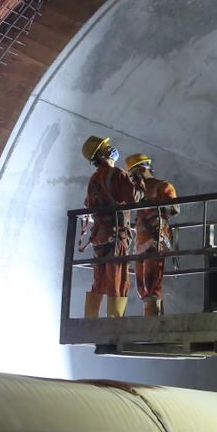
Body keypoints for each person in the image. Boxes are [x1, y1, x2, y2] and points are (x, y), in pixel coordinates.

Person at [81, 135, 138, 318]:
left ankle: (90, 322)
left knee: (99, 281)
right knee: (118, 281)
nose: (111, 148)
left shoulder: (94, 179)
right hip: (115, 236)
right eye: (107, 146)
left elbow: (88, 205)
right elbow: (133, 199)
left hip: (98, 237)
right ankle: (113, 329)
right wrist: (138, 183)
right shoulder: (116, 174)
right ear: (103, 152)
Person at [124, 153, 178, 316]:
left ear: (142, 169)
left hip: (156, 239)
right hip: (140, 243)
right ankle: (152, 319)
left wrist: (153, 206)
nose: (132, 179)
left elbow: (174, 209)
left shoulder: (163, 186)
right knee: (141, 283)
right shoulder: (137, 192)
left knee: (151, 281)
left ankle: (153, 322)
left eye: (133, 174)